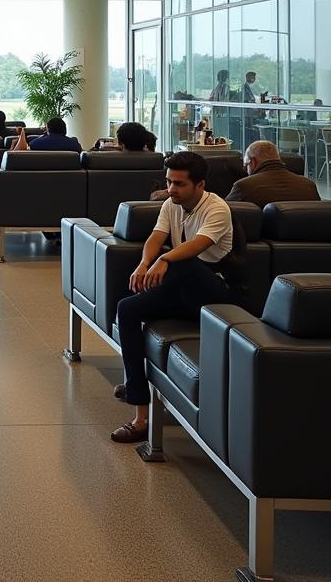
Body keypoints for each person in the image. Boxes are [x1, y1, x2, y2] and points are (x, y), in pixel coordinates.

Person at [111, 151, 236, 444]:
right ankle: (140, 412)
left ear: (200, 185)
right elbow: (156, 236)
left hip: (213, 294)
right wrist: (144, 263)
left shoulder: (217, 209)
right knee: (126, 309)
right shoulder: (171, 204)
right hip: (182, 288)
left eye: (179, 184)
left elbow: (197, 246)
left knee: (183, 262)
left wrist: (165, 259)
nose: (171, 189)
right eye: (169, 182)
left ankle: (141, 414)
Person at [226, 140, 320, 207]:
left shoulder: (243, 187)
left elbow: (222, 214)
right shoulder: (309, 186)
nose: (246, 170)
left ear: (253, 162)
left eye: (246, 165)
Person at [15, 118, 82, 153]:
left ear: (48, 129)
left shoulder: (36, 143)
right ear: (64, 129)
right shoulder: (74, 144)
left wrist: (22, 133)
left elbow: (18, 154)